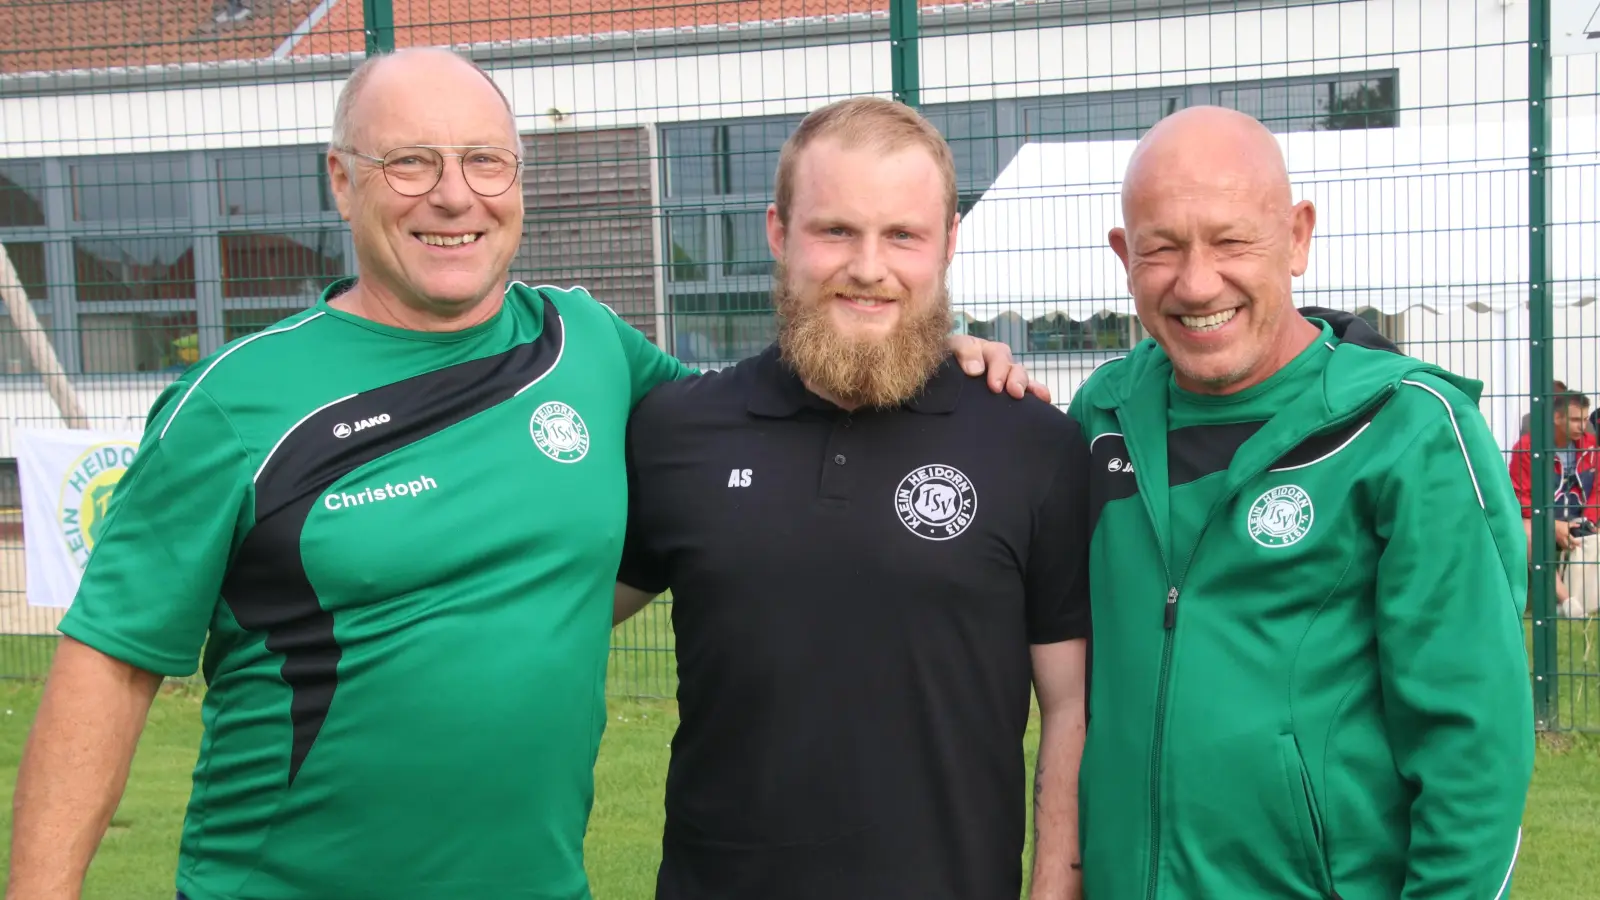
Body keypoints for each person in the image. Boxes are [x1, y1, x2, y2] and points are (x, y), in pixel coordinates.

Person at [5, 50, 1038, 900]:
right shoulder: (236, 404)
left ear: (517, 180)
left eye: (485, 163)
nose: (454, 197)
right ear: (340, 179)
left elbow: (771, 414)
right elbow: (110, 666)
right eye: (409, 163)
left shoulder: (585, 346)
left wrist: (928, 341)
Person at [613, 97, 1090, 900]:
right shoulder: (673, 431)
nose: (869, 266)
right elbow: (554, 617)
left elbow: (1072, 708)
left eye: (902, 235)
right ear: (778, 232)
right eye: (835, 231)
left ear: (946, 244)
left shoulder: (1033, 444)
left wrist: (1053, 888)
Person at [1066, 105, 1535, 899]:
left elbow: (1474, 749)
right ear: (1124, 255)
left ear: (1298, 236)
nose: (1197, 281)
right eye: (1162, 249)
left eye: (1230, 240)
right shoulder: (1100, 418)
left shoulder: (1407, 430)